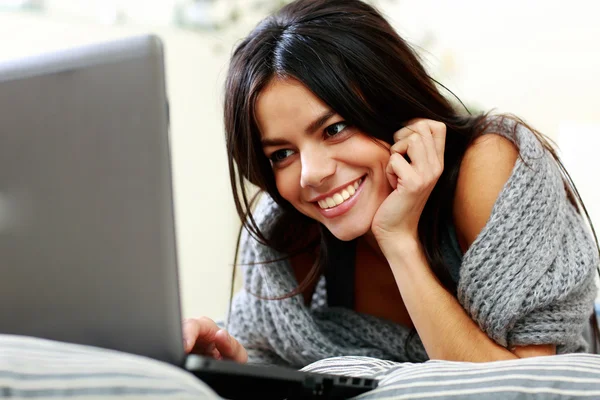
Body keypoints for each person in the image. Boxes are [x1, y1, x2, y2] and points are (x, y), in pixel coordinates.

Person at [182, 0, 599, 367]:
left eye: (335, 128)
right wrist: (237, 366)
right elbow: (272, 356)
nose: (311, 173)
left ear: (393, 106)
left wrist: (399, 241)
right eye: (282, 154)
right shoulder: (286, 229)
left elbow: (524, 384)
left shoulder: (487, 166)